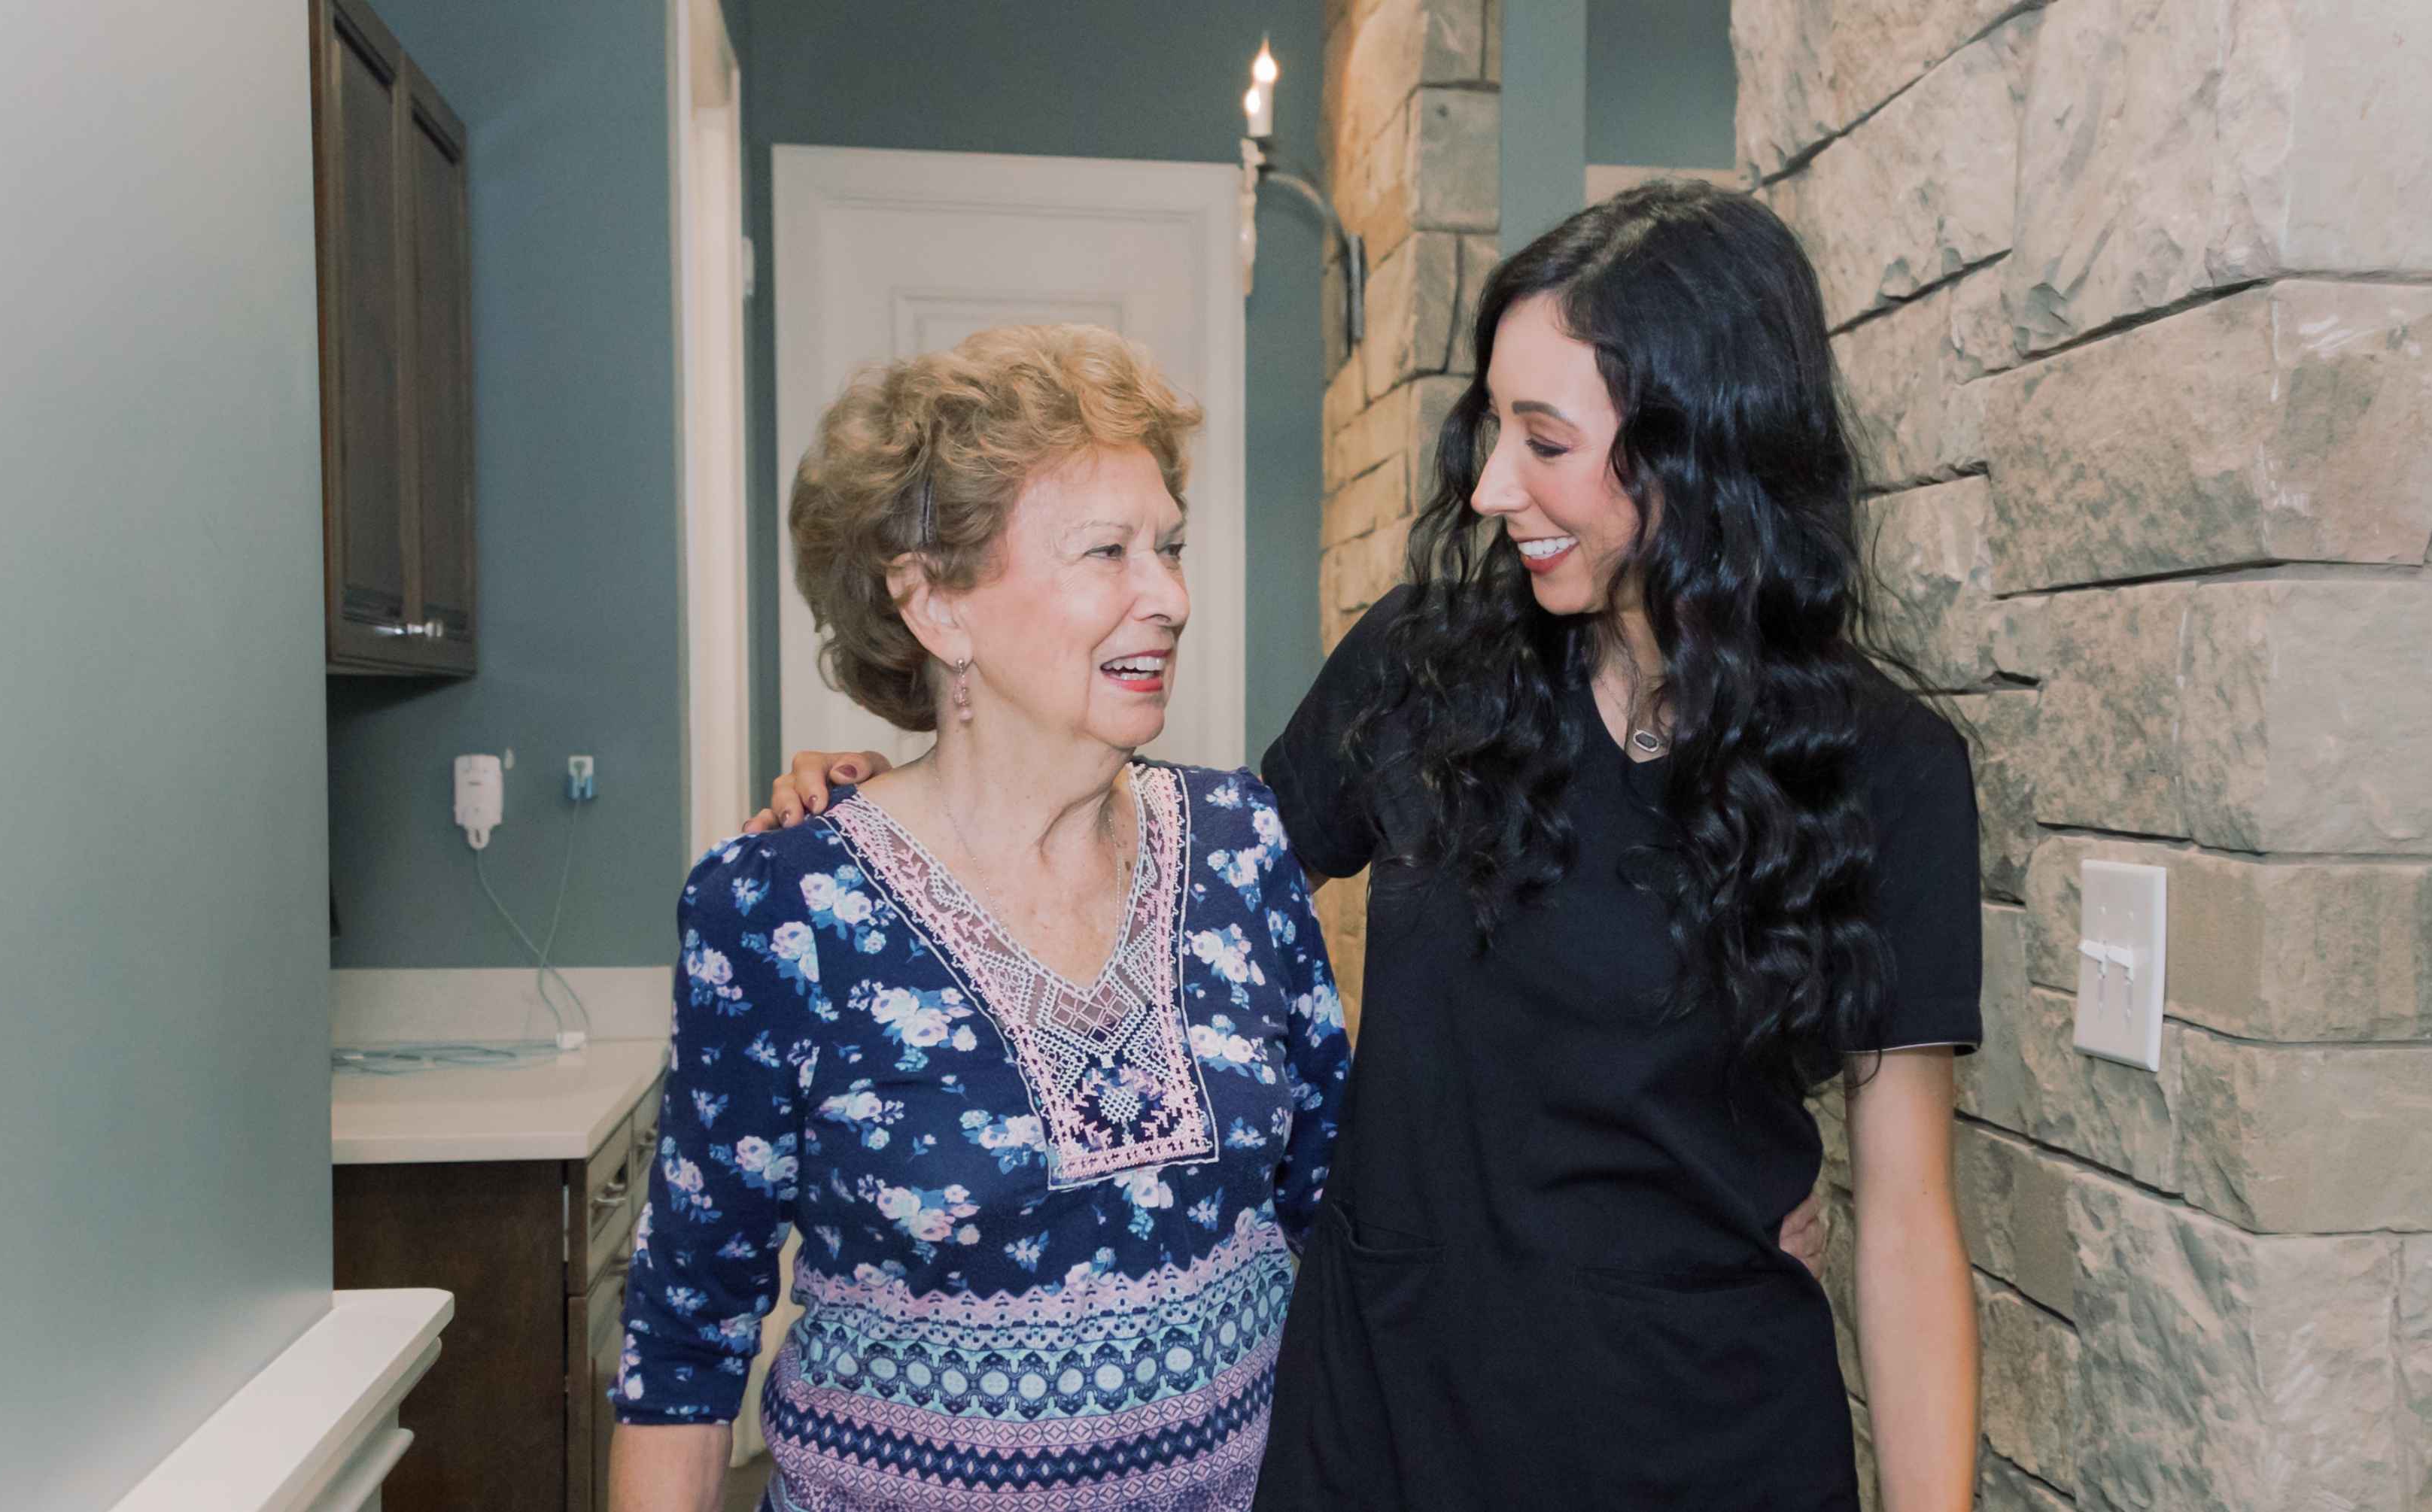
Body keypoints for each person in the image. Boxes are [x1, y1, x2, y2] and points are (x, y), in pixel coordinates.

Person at [764, 180, 1982, 1511]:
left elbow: (1910, 1223)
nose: (1491, 482)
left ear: (1705, 450)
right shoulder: (1425, 666)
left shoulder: (1890, 770)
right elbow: (1168, 874)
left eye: (1546, 439)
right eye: (1490, 425)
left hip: (1701, 1436)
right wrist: (924, 800)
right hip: (1387, 1422)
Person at [610, 324, 1350, 1512]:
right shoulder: (780, 910)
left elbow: (1344, 1212)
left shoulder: (1244, 844)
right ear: (935, 601)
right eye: (1105, 551)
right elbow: (684, 1352)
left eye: (1169, 546)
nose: (1168, 595)